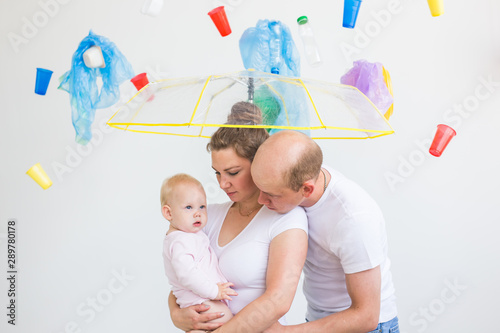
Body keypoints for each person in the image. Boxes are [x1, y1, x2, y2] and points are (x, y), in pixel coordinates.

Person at [168, 102, 309, 332]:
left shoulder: (287, 219)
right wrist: (176, 313)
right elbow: (183, 275)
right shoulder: (206, 216)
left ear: (259, 164)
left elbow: (278, 301)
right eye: (217, 173)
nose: (223, 184)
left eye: (233, 173)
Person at [250, 130, 399, 333]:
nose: (260, 200)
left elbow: (366, 316)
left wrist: (286, 332)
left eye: (270, 194)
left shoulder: (354, 218)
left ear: (307, 190)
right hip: (318, 320)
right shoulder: (297, 176)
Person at [160, 173, 236, 333]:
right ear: (168, 213)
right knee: (226, 319)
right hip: (201, 301)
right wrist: (214, 291)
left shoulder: (189, 235)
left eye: (202, 206)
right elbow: (187, 275)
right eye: (188, 207)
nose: (197, 213)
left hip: (201, 301)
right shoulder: (180, 241)